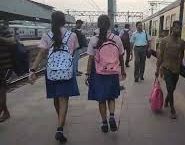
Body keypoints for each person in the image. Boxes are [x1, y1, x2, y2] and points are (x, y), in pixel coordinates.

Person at [29, 11, 80, 143]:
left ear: (52, 21)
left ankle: (60, 120)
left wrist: (33, 69)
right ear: (64, 21)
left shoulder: (47, 35)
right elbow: (73, 52)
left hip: (51, 72)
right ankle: (60, 127)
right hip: (66, 72)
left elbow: (41, 54)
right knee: (64, 99)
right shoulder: (72, 35)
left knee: (56, 97)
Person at [85, 15, 126, 133]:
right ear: (109, 25)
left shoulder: (93, 39)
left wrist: (88, 74)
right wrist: (122, 71)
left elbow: (90, 59)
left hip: (98, 73)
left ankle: (104, 123)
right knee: (111, 96)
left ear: (98, 24)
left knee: (101, 99)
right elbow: (121, 57)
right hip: (113, 71)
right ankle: (112, 116)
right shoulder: (116, 38)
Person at [155, 21, 185, 119]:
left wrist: (181, 65)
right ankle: (172, 109)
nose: (178, 30)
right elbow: (160, 56)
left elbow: (182, 54)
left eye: (180, 28)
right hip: (166, 67)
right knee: (170, 88)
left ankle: (167, 100)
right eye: (176, 28)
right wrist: (157, 68)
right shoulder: (164, 40)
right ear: (172, 28)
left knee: (173, 88)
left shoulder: (181, 42)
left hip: (176, 68)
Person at [0, 21, 15, 123]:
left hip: (3, 66)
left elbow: (12, 41)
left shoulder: (2, 29)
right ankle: (5, 112)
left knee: (1, 90)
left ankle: (4, 112)